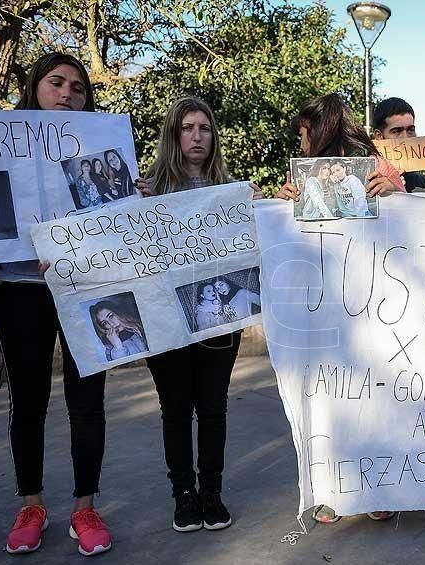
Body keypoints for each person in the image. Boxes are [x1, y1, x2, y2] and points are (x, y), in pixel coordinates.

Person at [0, 52, 112, 557]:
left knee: (87, 401)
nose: (67, 93)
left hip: (84, 285)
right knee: (28, 400)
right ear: (34, 88)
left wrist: (135, 194)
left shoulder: (101, 150)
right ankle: (32, 505)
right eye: (56, 82)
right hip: (19, 287)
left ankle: (85, 508)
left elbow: (115, 222)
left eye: (78, 88)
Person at [275, 92, 403, 524]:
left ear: (319, 130)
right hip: (324, 308)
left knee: (376, 397)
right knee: (331, 400)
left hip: (374, 304)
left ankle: (378, 487)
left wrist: (395, 194)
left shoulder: (378, 167)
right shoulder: (302, 177)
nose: (301, 144)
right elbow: (288, 239)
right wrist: (282, 204)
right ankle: (333, 489)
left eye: (303, 135)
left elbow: (413, 228)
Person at [138, 96, 258, 534]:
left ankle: (211, 492)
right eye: (187, 128)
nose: (196, 136)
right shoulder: (146, 190)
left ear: (213, 136)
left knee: (212, 408)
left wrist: (260, 207)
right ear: (174, 135)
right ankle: (183, 495)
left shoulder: (231, 191)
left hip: (217, 314)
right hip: (164, 317)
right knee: (174, 409)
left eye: (204, 128)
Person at [372, 97, 425, 193]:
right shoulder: (366, 181)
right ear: (379, 136)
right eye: (397, 131)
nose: (405, 137)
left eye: (410, 130)